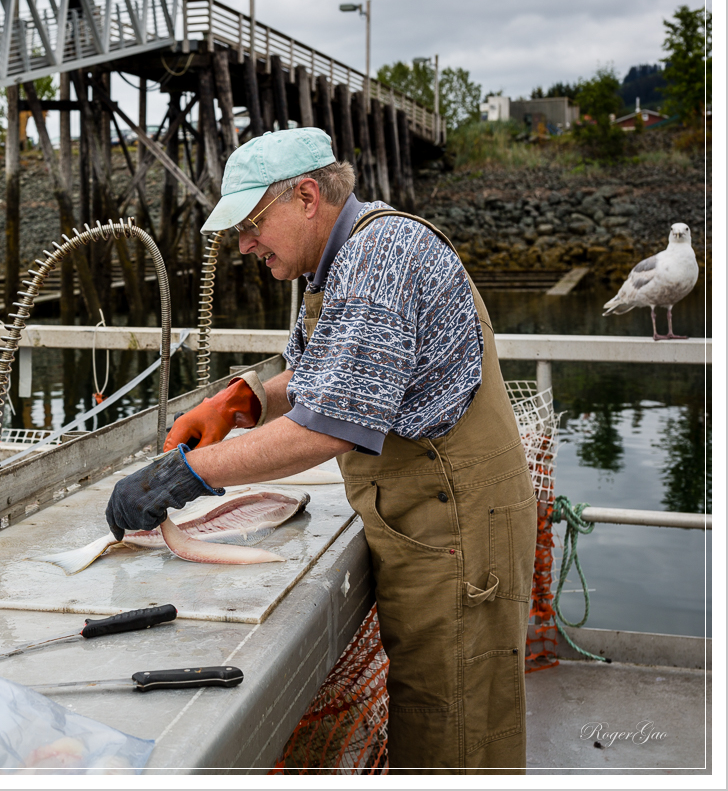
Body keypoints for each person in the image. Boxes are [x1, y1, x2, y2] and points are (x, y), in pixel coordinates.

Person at [104, 128, 537, 773]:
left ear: (307, 196)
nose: (245, 244)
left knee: (455, 725)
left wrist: (186, 474)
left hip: (457, 524)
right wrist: (242, 400)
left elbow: (327, 425)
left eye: (252, 223)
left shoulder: (379, 257)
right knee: (428, 700)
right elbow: (327, 375)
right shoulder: (345, 257)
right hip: (423, 517)